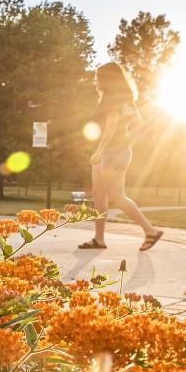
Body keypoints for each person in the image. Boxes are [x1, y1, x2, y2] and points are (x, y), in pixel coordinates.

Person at [78, 62, 164, 251]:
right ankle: (99, 239)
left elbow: (111, 125)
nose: (96, 80)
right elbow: (139, 124)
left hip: (110, 153)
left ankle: (150, 231)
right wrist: (127, 144)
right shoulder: (125, 100)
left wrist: (102, 150)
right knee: (99, 195)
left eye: (98, 77)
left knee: (117, 196)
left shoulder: (112, 99)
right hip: (114, 152)